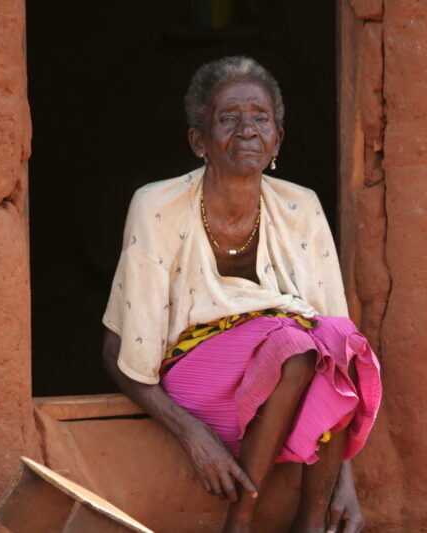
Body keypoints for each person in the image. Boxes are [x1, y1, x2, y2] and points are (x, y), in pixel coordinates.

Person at [101, 56, 381, 533]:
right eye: (228, 118)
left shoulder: (301, 206)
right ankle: (240, 522)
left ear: (278, 139)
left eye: (261, 118)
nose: (247, 130)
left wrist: (343, 480)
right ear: (199, 141)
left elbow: (338, 351)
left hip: (283, 383)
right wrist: (192, 435)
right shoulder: (156, 207)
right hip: (194, 382)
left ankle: (311, 524)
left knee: (332, 340)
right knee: (295, 345)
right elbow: (122, 351)